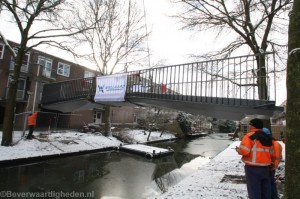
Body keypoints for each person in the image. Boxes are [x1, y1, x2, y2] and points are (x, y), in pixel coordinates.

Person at [236, 118, 273, 199]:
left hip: (253, 168)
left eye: (250, 124)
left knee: (254, 191)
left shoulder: (249, 136)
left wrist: (238, 150)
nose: (249, 126)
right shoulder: (267, 137)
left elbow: (245, 151)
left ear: (252, 126)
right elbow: (271, 152)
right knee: (265, 191)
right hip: (266, 168)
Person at [262, 128, 283, 199]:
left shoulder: (275, 145)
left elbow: (277, 158)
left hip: (270, 167)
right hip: (269, 167)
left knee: (269, 184)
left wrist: (272, 167)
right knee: (270, 183)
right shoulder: (272, 143)